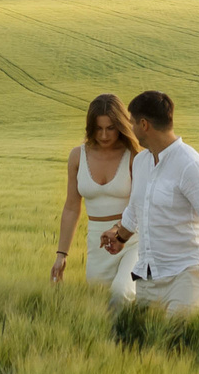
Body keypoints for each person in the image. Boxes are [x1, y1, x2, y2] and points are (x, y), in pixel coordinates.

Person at [101, 89, 199, 315]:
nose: (130, 128)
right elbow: (136, 210)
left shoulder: (190, 166)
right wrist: (119, 237)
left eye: (132, 123)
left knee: (176, 341)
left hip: (187, 274)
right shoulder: (141, 162)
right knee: (149, 344)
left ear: (144, 125)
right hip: (149, 275)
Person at [52, 94, 139, 303]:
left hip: (133, 239)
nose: (104, 135)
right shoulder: (77, 156)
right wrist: (61, 254)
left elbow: (139, 204)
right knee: (100, 301)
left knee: (121, 292)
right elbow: (72, 208)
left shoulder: (134, 155)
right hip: (98, 242)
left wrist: (119, 231)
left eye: (110, 128)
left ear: (121, 125)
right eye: (98, 128)